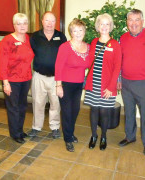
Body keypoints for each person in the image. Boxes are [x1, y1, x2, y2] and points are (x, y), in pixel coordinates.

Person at [117, 9, 145, 156]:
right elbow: (118, 61)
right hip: (126, 83)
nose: (134, 23)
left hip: (144, 84)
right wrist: (118, 80)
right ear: (127, 22)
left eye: (137, 20)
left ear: (142, 21)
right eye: (130, 20)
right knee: (129, 112)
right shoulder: (122, 38)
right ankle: (130, 136)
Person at [84, 13, 122, 151]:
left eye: (107, 24)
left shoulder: (115, 44)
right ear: (98, 26)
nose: (104, 26)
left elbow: (117, 67)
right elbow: (89, 61)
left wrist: (111, 87)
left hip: (107, 86)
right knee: (94, 110)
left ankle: (104, 136)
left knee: (105, 112)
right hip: (93, 84)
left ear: (110, 26)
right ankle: (94, 136)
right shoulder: (94, 42)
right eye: (102, 24)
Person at [28, 11, 67, 138]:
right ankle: (36, 127)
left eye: (52, 21)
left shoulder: (61, 36)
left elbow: (65, 57)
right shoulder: (34, 36)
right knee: (38, 102)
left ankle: (55, 127)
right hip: (39, 76)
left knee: (55, 103)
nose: (49, 23)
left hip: (56, 78)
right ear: (42, 21)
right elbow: (30, 54)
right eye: (47, 20)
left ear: (55, 22)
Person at [0, 13, 34, 143]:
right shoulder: (7, 40)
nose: (22, 26)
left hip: (26, 79)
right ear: (14, 25)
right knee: (14, 108)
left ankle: (20, 130)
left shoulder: (28, 38)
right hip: (12, 80)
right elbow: (2, 63)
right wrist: (5, 83)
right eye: (19, 23)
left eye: (24, 23)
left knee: (23, 106)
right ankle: (15, 134)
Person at [55, 19, 90, 152]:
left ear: (84, 32)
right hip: (65, 84)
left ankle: (70, 133)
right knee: (67, 112)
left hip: (78, 84)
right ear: (71, 32)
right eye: (75, 30)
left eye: (80, 30)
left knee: (75, 111)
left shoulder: (88, 47)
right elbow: (58, 67)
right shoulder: (65, 47)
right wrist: (58, 85)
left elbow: (91, 64)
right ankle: (68, 139)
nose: (78, 33)